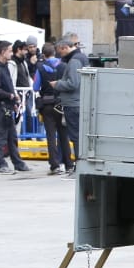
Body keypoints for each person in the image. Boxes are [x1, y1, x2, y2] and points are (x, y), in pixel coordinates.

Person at [0, 40, 30, 174]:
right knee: (0, 137)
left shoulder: (5, 66)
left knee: (12, 136)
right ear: (2, 52)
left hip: (8, 105)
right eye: (10, 51)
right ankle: (0, 164)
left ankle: (17, 162)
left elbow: (10, 85)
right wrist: (10, 96)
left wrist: (15, 102)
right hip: (1, 106)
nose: (12, 53)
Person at [53, 34, 88, 174]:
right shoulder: (82, 58)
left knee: (76, 137)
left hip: (73, 104)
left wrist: (57, 84)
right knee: (79, 136)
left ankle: (79, 167)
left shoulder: (74, 61)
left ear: (65, 47)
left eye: (60, 51)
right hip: (79, 102)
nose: (59, 55)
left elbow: (73, 83)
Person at [34, 44, 69, 176]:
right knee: (64, 136)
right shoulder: (64, 66)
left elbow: (35, 88)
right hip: (61, 104)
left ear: (43, 54)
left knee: (50, 136)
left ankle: (55, 166)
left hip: (47, 105)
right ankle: (69, 165)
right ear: (55, 52)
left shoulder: (40, 68)